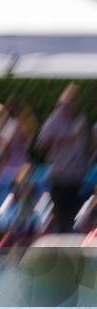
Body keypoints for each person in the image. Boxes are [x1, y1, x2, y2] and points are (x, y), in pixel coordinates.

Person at [37, 84, 92, 232]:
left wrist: (87, 163)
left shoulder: (80, 120)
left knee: (73, 219)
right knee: (61, 219)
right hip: (60, 176)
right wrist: (63, 138)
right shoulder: (54, 119)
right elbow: (41, 142)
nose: (69, 107)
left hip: (76, 177)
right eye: (67, 103)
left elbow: (85, 146)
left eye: (73, 102)